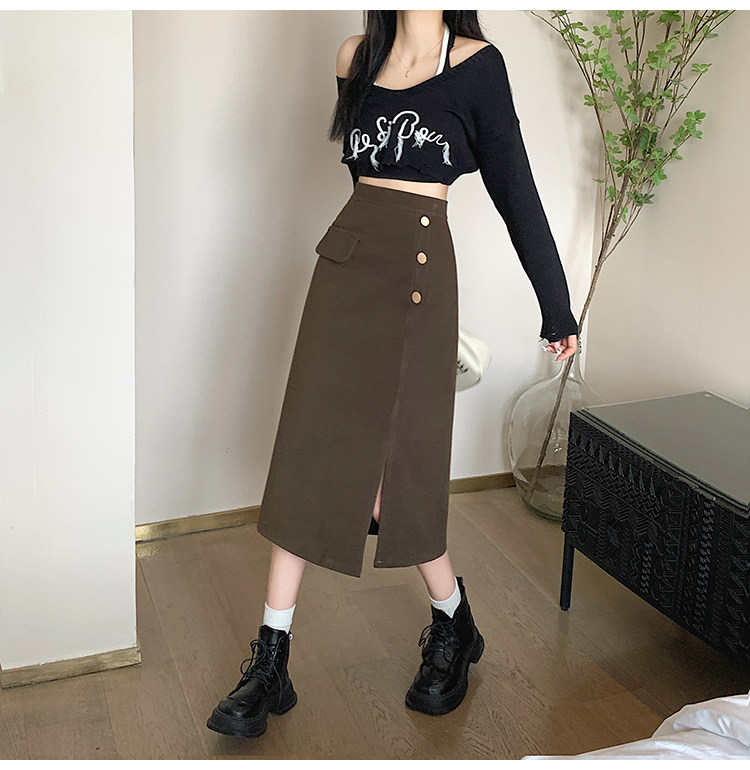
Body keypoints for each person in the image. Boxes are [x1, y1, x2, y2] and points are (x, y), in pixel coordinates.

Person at [207, 10, 579, 739]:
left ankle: (452, 621)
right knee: (311, 455)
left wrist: (556, 306)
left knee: (392, 478)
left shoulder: (477, 65)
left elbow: (516, 188)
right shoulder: (354, 56)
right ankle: (271, 659)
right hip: (345, 267)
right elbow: (361, 174)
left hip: (418, 274)